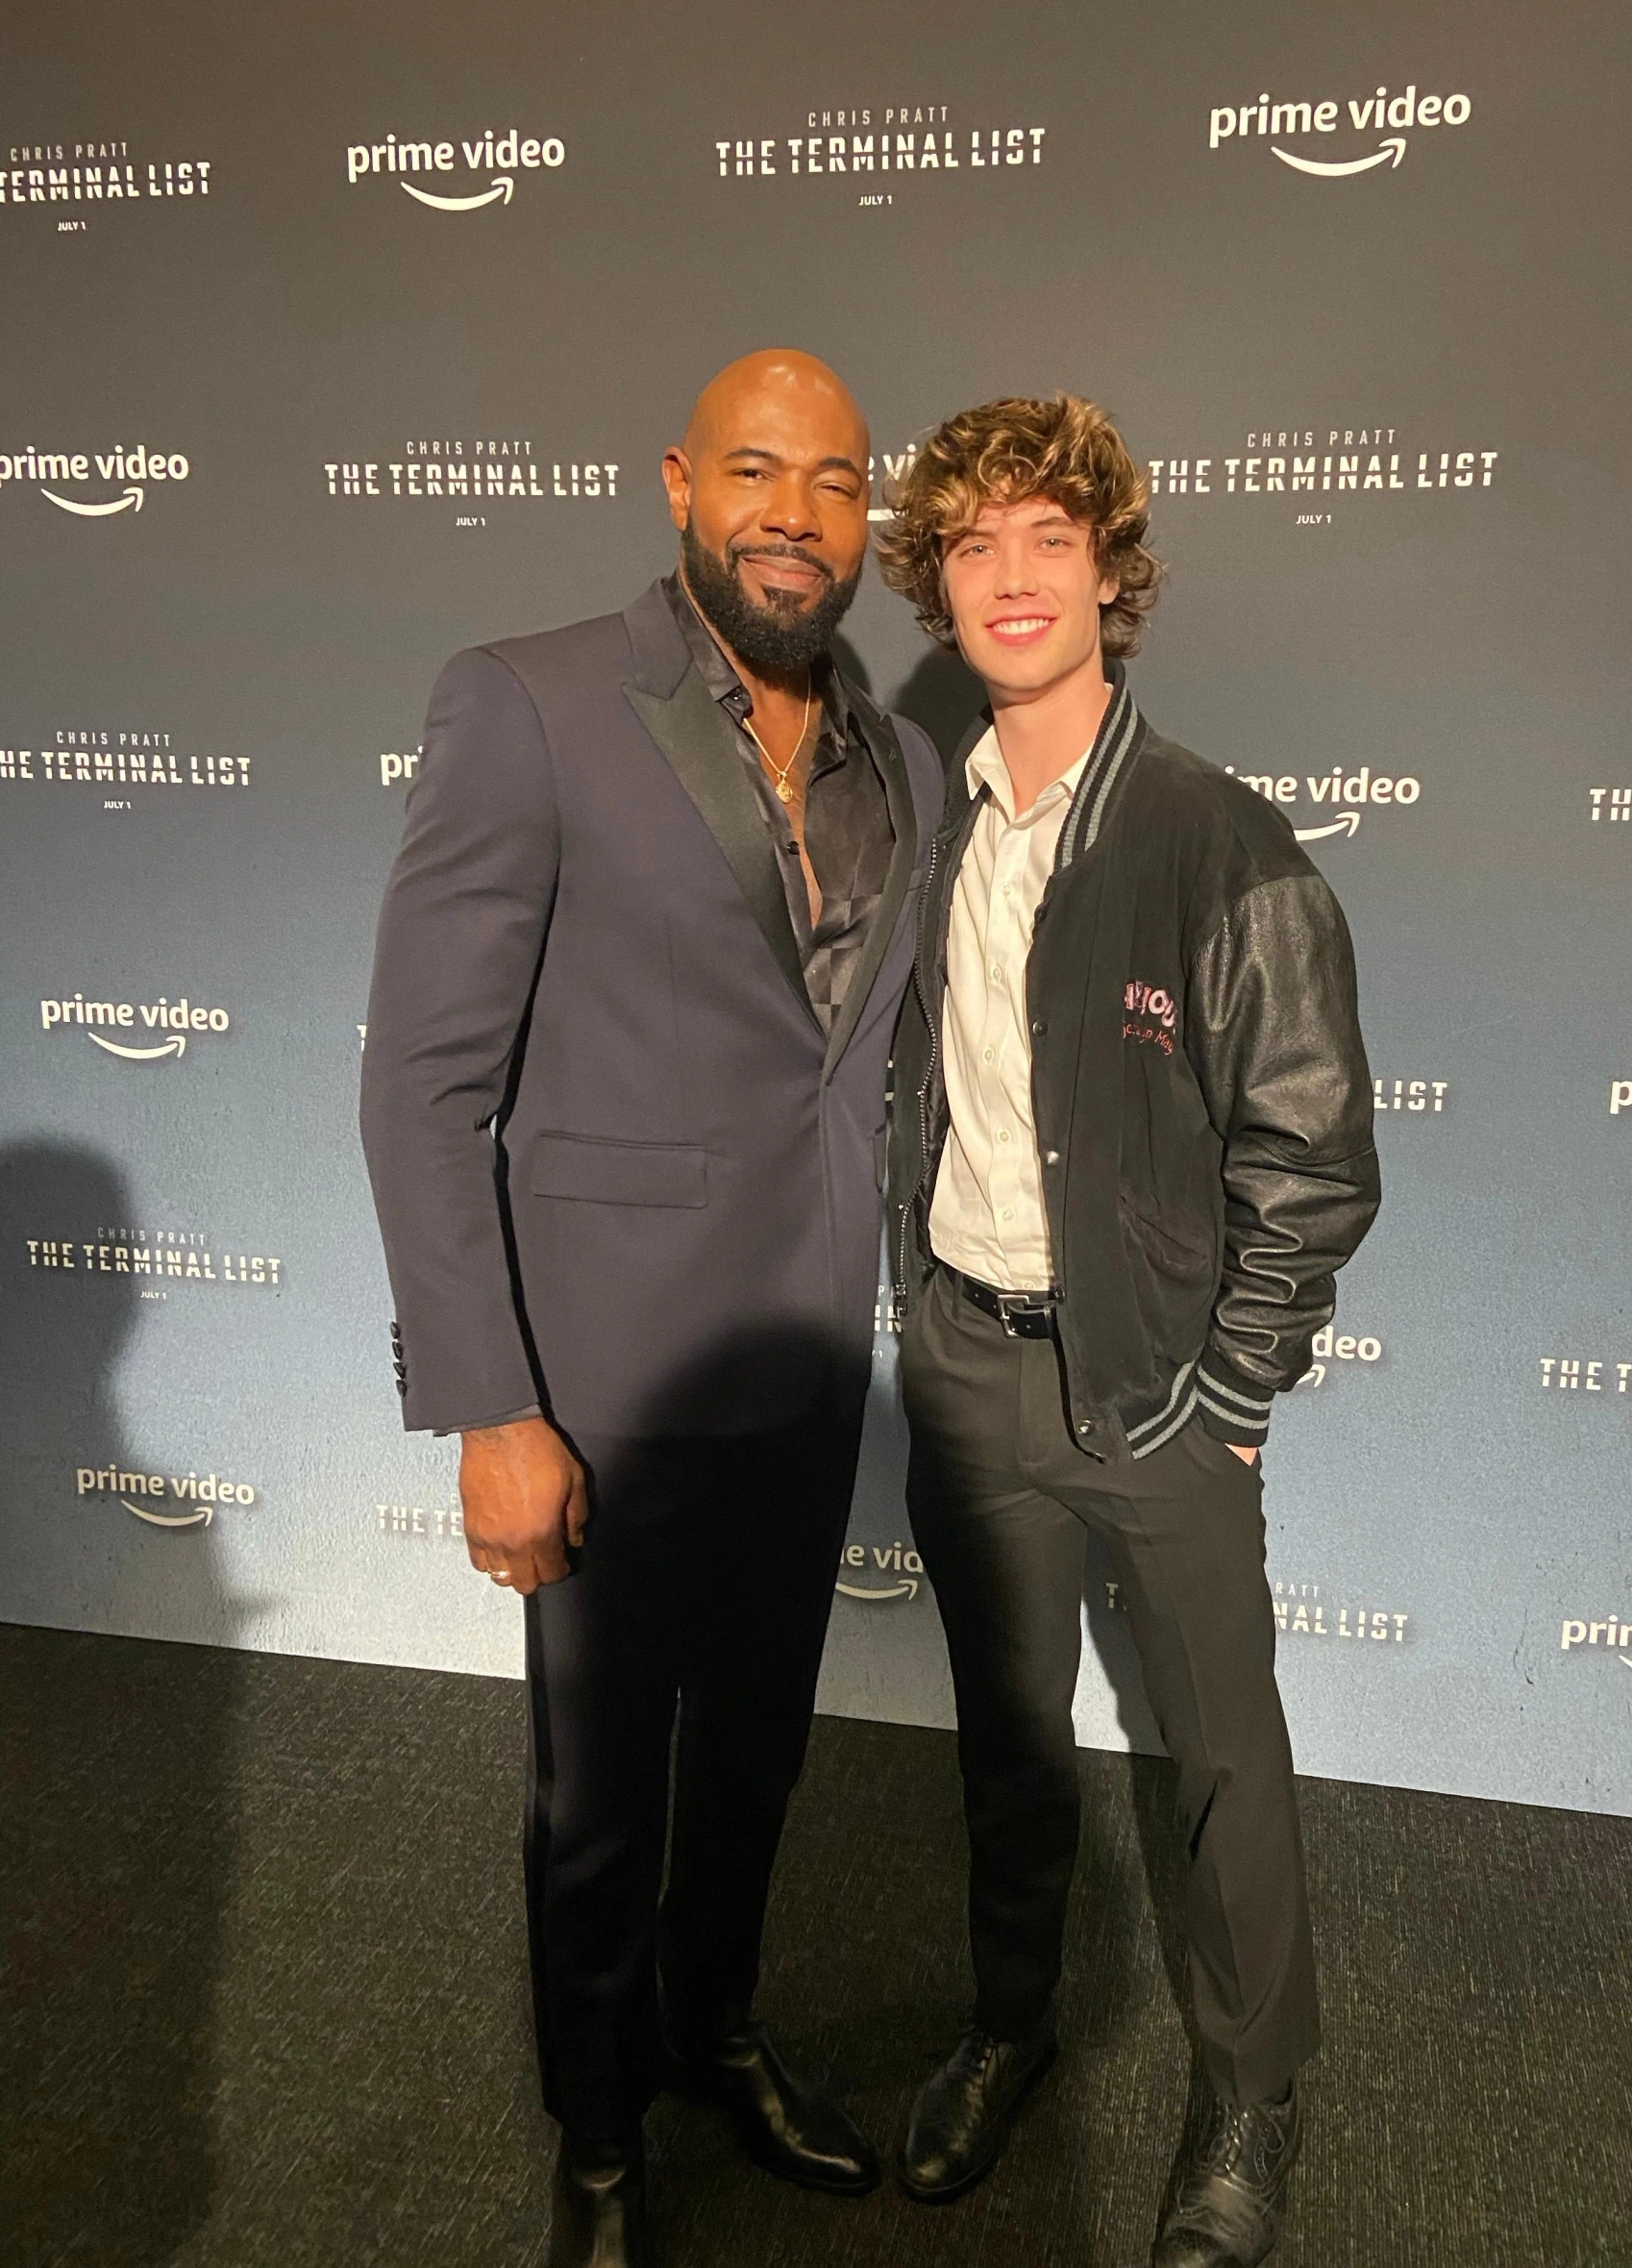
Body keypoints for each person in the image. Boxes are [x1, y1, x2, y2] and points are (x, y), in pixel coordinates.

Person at [359, 350, 942, 2268]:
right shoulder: (525, 704)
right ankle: (599, 2133)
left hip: (802, 1375)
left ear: (874, 518)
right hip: (591, 1386)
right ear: (677, 485)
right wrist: (489, 1407)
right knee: (598, 1799)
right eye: (758, 471)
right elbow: (425, 1088)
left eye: (838, 482)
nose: (797, 512)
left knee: (761, 1760)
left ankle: (715, 2033)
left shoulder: (905, 767)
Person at [877, 394, 1378, 2266]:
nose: (1010, 577)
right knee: (1007, 1734)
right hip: (962, 1360)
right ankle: (1013, 2027)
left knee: (1220, 1750)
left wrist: (1235, 1382)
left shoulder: (1215, 840)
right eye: (973, 546)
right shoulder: (930, 828)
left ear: (1110, 572)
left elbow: (1313, 1153)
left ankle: (1251, 2103)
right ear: (936, 582)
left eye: (1046, 541)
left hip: (1163, 1393)